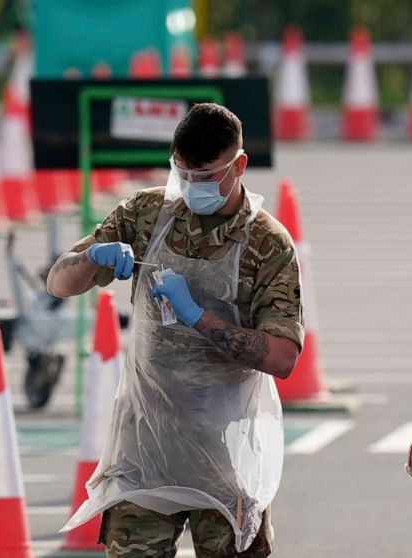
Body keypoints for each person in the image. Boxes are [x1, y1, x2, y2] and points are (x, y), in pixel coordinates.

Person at [47, 103, 304, 557]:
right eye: (183, 173)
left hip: (226, 453)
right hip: (147, 443)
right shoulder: (148, 213)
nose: (192, 187)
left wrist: (197, 316)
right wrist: (93, 258)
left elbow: (282, 358)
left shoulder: (267, 243)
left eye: (205, 177)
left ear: (238, 165)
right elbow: (59, 282)